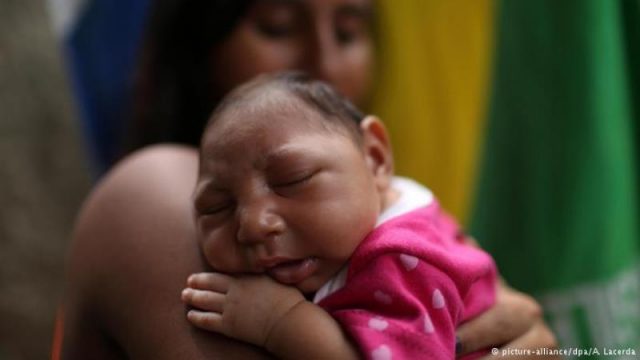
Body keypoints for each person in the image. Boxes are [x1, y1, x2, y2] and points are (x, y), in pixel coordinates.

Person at [59, 0, 556, 358]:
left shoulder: (399, 235)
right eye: (276, 25)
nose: (324, 64)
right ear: (197, 40)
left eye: (347, 31)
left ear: (377, 157)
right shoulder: (150, 191)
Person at [181, 72, 497, 359]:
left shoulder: (400, 258)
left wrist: (280, 321)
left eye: (292, 179)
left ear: (374, 159)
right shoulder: (388, 198)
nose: (251, 225)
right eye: (216, 207)